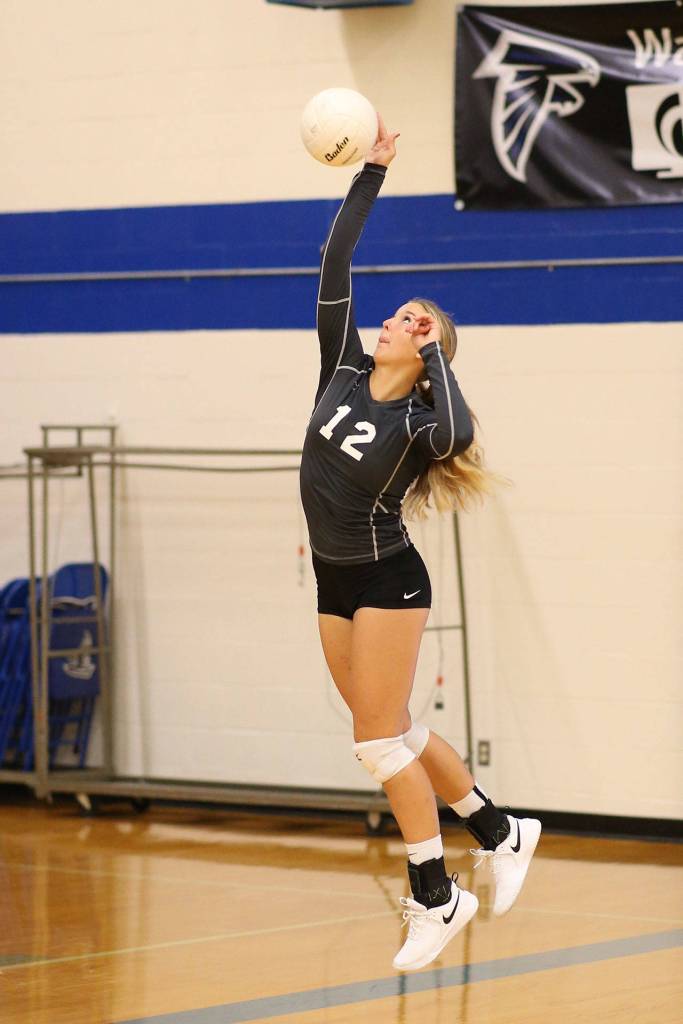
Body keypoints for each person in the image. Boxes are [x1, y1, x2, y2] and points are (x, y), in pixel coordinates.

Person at [298, 116, 541, 973]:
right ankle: (499, 828)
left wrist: (441, 361)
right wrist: (370, 173)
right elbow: (334, 267)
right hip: (334, 578)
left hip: (388, 582)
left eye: (412, 321)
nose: (395, 319)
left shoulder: (417, 418)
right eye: (399, 314)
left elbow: (458, 431)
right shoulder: (341, 370)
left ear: (427, 346)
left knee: (374, 744)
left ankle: (438, 896)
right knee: (390, 729)